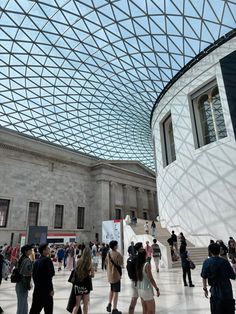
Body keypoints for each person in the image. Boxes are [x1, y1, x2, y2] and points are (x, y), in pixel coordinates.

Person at [201, 243, 235, 314]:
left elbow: (204, 277)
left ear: (210, 251)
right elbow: (233, 276)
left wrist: (205, 289)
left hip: (215, 292)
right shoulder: (225, 262)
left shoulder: (207, 262)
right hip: (227, 292)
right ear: (219, 251)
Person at [29, 243, 55, 314]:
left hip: (37, 290)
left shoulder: (36, 262)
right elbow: (49, 276)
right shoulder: (47, 260)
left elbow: (33, 275)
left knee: (34, 310)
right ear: (44, 251)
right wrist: (51, 289)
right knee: (48, 310)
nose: (49, 249)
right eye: (47, 248)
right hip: (46, 290)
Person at [69, 247, 94, 314]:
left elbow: (75, 271)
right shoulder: (90, 263)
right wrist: (88, 275)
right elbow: (93, 275)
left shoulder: (78, 261)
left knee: (77, 305)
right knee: (85, 305)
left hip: (78, 284)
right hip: (86, 285)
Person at [136, 248, 160, 314]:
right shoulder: (146, 265)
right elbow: (151, 278)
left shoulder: (138, 265)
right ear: (145, 255)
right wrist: (157, 289)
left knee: (145, 310)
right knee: (151, 311)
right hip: (147, 290)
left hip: (140, 289)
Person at [106, 240, 123, 314]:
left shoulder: (108, 254)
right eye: (117, 244)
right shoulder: (117, 254)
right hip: (116, 275)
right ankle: (114, 309)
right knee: (116, 292)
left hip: (110, 275)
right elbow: (120, 263)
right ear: (115, 246)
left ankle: (109, 304)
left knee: (111, 290)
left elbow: (106, 263)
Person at [15, 244, 33, 314]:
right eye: (30, 250)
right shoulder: (27, 260)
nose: (31, 251)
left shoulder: (21, 258)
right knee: (22, 304)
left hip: (20, 283)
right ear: (26, 251)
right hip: (23, 283)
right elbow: (26, 273)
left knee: (23, 303)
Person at [127, 242, 143, 314]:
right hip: (139, 281)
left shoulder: (130, 258)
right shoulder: (139, 258)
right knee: (144, 301)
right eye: (142, 247)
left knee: (133, 300)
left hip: (133, 281)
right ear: (140, 249)